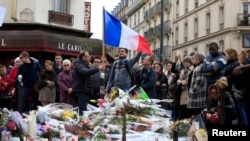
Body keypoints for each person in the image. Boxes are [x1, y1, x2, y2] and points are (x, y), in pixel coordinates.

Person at [72, 51, 105, 115]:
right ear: (83, 57)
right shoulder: (80, 65)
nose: (89, 57)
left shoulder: (85, 64)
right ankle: (82, 121)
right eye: (87, 56)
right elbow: (85, 72)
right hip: (82, 90)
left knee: (83, 108)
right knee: (83, 109)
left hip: (87, 91)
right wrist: (97, 68)